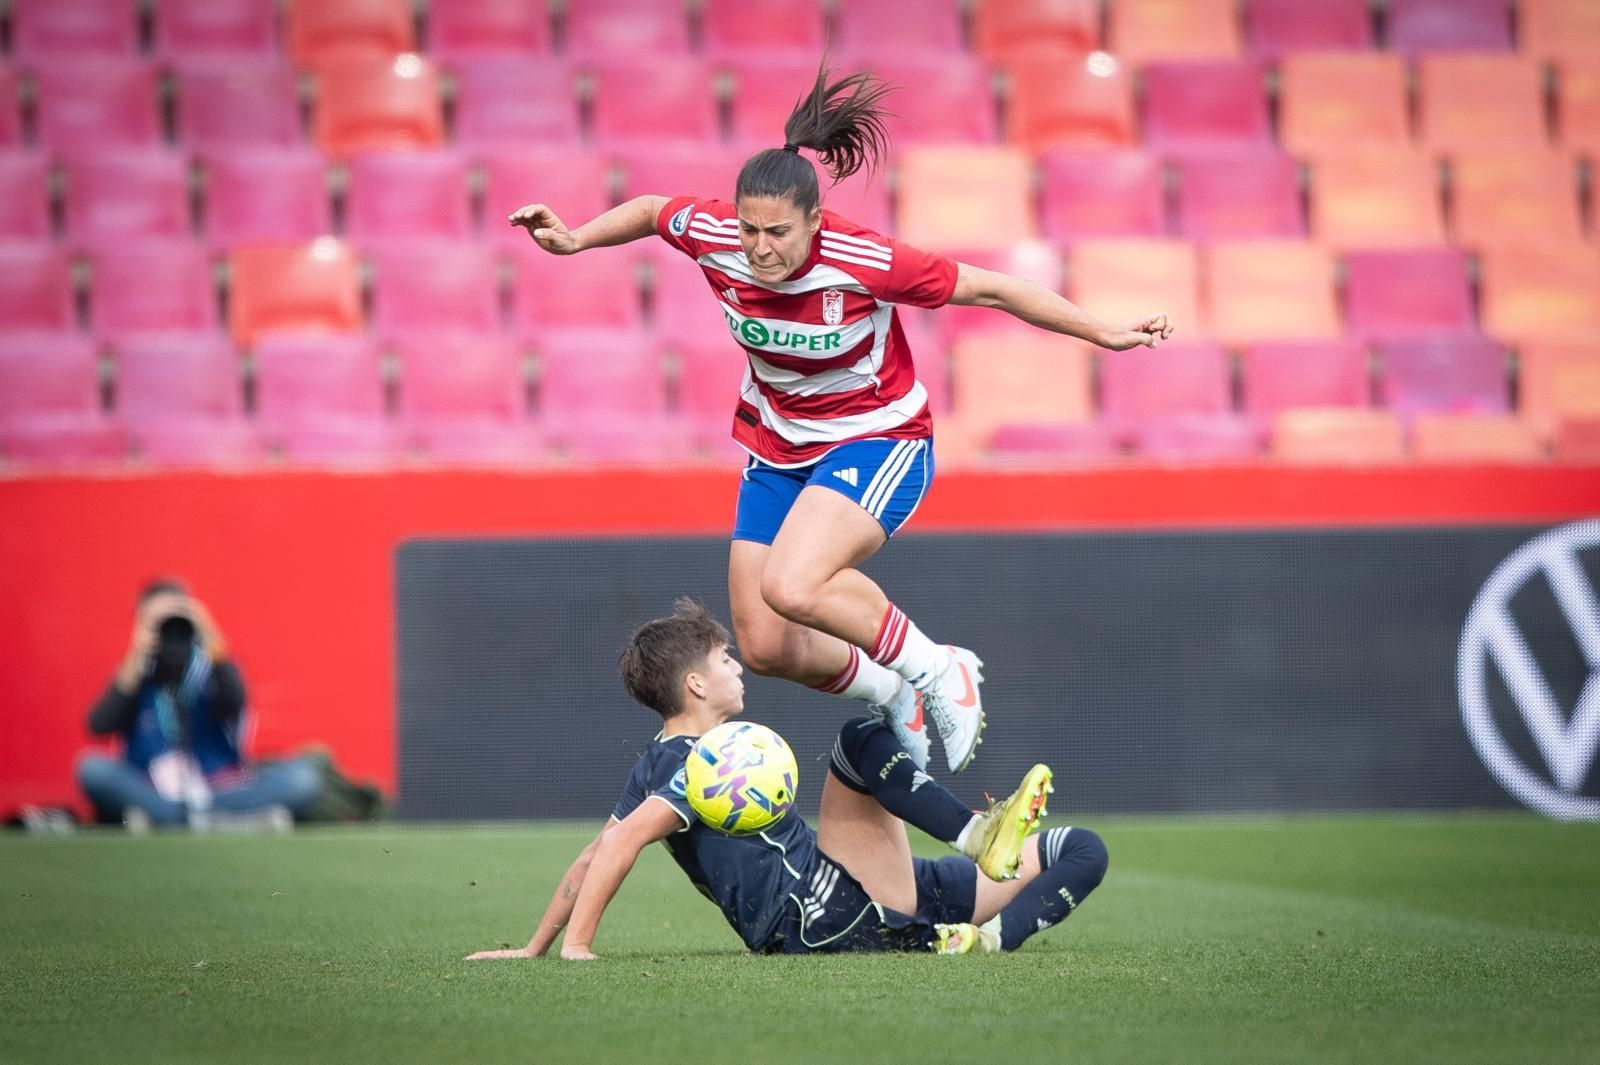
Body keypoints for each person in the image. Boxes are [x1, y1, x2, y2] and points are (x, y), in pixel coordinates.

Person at [509, 63, 1173, 775]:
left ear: (816, 222)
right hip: (777, 447)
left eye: (779, 233)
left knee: (793, 584)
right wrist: (575, 238)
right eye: (749, 229)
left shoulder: (865, 260)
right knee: (763, 643)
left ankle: (939, 669)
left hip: (877, 437)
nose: (760, 249)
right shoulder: (716, 235)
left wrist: (1102, 331)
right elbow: (648, 209)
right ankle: (893, 690)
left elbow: (995, 289)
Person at [465, 600, 1108, 960]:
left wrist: (534, 947)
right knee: (858, 742)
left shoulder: (660, 762)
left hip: (858, 889)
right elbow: (616, 848)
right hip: (830, 914)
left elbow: (594, 852)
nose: (739, 664)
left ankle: (990, 940)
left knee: (1081, 851)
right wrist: (574, 946)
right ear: (695, 684)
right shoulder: (699, 764)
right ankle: (974, 836)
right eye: (724, 659)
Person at [76, 579, 324, 831]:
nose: (167, 630)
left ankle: (173, 819)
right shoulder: (136, 674)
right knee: (92, 768)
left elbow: (235, 699)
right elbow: (98, 725)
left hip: (219, 786)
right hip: (155, 789)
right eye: (156, 623)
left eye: (174, 620)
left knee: (303, 778)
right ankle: (220, 821)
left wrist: (212, 639)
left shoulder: (210, 667)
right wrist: (136, 655)